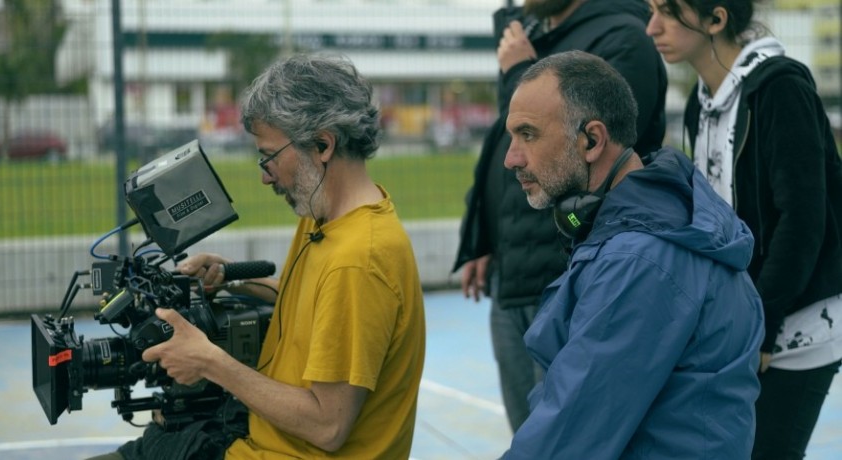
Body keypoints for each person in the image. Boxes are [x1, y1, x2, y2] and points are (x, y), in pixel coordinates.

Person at [88, 53, 426, 460]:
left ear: (322, 144)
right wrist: (232, 278)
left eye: (269, 157)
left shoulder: (357, 260)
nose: (265, 176)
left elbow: (328, 425)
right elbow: (319, 309)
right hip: (255, 437)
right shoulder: (328, 216)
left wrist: (209, 362)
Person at [499, 50, 764, 458]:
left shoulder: (640, 261)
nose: (511, 158)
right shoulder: (653, 224)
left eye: (528, 134)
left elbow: (569, 436)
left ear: (592, 140)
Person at [452, 0, 668, 432]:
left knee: (568, 434)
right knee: (529, 437)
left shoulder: (623, 37)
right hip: (512, 277)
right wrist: (482, 238)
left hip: (568, 277)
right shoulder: (533, 37)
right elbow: (506, 147)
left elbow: (598, 151)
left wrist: (519, 71)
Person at [646, 1, 842, 458]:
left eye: (668, 12)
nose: (652, 27)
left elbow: (802, 222)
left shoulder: (780, 89)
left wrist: (762, 327)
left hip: (794, 327)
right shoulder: (701, 104)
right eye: (650, 9)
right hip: (739, 326)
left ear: (716, 20)